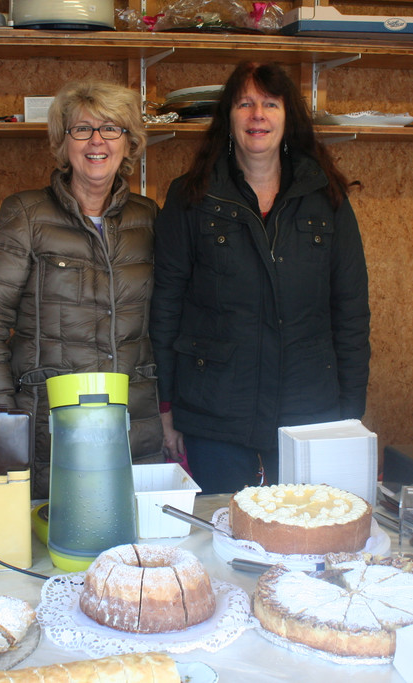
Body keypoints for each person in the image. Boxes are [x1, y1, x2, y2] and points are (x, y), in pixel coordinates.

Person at [150, 62, 371, 494]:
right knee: (222, 523)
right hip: (215, 411)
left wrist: (350, 413)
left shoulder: (326, 197)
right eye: (244, 104)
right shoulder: (191, 196)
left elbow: (351, 312)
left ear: (288, 118)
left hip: (309, 413)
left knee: (303, 526)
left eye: (270, 104)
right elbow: (166, 307)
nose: (257, 115)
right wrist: (166, 407)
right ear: (228, 119)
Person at [0, 80, 163, 499]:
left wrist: (171, 411)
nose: (97, 141)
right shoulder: (26, 215)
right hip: (49, 427)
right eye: (82, 129)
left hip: (134, 424)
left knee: (131, 534)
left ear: (129, 143)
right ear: (63, 141)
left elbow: (169, 322)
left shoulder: (149, 219)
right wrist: (2, 428)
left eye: (111, 128)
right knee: (53, 532)